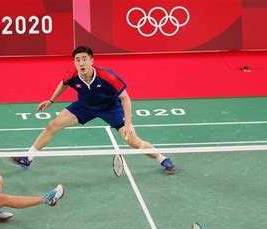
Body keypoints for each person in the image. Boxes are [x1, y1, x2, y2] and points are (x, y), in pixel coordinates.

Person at [11, 45, 176, 174]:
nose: (81, 63)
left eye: (84, 59)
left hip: (111, 108)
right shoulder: (73, 74)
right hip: (85, 106)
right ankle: (28, 158)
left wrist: (129, 124)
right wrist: (51, 100)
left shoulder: (108, 77)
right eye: (77, 60)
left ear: (92, 60)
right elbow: (63, 83)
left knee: (133, 142)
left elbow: (125, 98)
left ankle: (163, 159)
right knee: (52, 125)